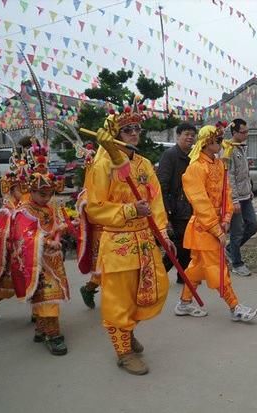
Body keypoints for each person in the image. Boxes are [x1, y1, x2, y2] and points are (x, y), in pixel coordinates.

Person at [86, 102, 172, 375]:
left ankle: (128, 329)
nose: (134, 133)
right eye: (127, 130)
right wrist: (130, 209)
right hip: (119, 242)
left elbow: (155, 199)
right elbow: (95, 208)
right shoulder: (103, 165)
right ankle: (123, 351)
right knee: (119, 299)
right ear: (115, 134)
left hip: (144, 240)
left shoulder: (144, 163)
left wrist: (162, 232)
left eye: (136, 128)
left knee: (146, 291)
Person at [173, 124, 257, 322]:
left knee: (197, 268)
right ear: (206, 142)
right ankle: (235, 307)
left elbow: (226, 192)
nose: (221, 142)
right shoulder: (195, 168)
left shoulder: (219, 164)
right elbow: (200, 202)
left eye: (221, 138)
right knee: (218, 268)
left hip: (218, 225)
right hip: (204, 228)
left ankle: (184, 303)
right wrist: (215, 228)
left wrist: (227, 217)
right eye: (218, 139)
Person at [9, 141, 70, 356]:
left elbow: (53, 224)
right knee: (46, 296)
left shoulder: (47, 207)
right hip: (36, 259)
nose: (47, 198)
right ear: (31, 191)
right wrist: (45, 240)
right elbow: (23, 235)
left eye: (50, 194)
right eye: (42, 194)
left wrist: (60, 229)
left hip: (52, 257)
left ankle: (41, 328)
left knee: (47, 296)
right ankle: (53, 335)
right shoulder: (24, 210)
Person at [0, 149, 31, 321]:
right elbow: (3, 234)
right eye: (21, 189)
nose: (25, 193)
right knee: (9, 285)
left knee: (38, 281)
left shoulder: (34, 201)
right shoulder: (8, 210)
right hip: (15, 253)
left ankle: (40, 313)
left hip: (35, 249)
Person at [157, 122, 197, 284]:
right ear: (178, 136)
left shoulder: (192, 155)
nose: (190, 137)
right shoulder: (170, 155)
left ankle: (182, 276)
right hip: (175, 207)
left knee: (185, 243)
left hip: (188, 206)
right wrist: (166, 210)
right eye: (186, 134)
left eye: (192, 135)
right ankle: (158, 273)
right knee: (180, 244)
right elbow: (162, 184)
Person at [225, 118, 257, 277]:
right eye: (243, 132)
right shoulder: (229, 150)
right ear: (234, 132)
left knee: (252, 226)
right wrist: (234, 200)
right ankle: (237, 263)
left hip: (246, 196)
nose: (246, 134)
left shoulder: (241, 148)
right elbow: (229, 177)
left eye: (247, 131)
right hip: (236, 198)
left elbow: (244, 173)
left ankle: (230, 249)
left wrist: (249, 190)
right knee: (236, 231)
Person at [75, 143, 103, 309]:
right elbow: (84, 204)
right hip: (101, 233)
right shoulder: (88, 189)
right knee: (103, 270)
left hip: (119, 229)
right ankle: (89, 289)